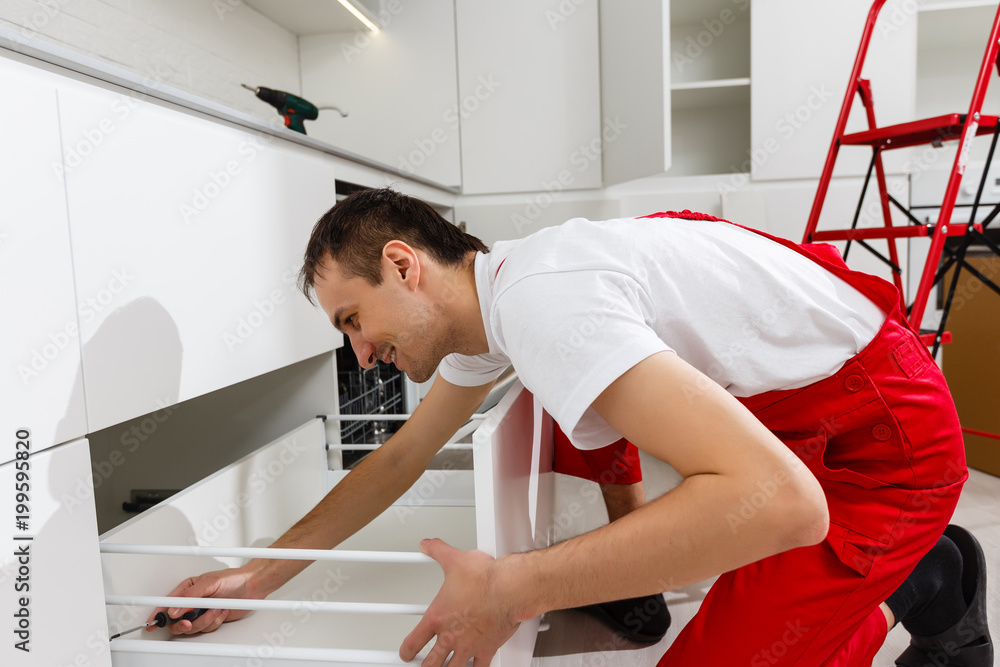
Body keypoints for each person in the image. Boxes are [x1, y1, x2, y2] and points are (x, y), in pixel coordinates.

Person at [151, 188, 991, 666]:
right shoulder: (497, 301)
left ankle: (909, 573)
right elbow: (401, 457)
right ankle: (910, 571)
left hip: (886, 447)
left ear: (403, 266)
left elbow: (782, 502)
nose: (361, 352)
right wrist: (260, 574)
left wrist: (514, 586)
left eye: (353, 319)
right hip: (806, 421)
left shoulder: (543, 304)